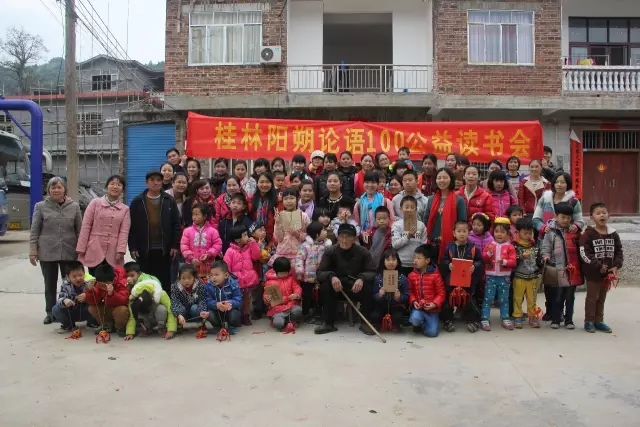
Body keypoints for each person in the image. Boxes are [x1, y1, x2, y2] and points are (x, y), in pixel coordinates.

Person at [29, 176, 83, 324]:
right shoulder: (40, 206)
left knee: (71, 283)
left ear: (64, 189)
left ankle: (71, 311)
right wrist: (33, 250)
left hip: (69, 251)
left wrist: (81, 250)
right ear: (48, 190)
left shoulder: (74, 206)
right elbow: (34, 230)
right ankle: (51, 312)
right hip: (47, 251)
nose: (56, 190)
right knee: (50, 284)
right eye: (53, 188)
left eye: (59, 187)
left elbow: (80, 230)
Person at [532, 172, 584, 318]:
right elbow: (535, 219)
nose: (559, 185)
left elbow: (580, 221)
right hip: (547, 242)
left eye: (563, 182)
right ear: (553, 184)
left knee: (564, 279)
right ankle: (550, 310)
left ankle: (560, 312)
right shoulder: (545, 199)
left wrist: (575, 226)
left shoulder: (573, 202)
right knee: (549, 277)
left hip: (566, 245)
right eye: (557, 182)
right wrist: (543, 228)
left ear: (568, 185)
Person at [315, 223, 377, 335]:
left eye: (348, 237)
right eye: (342, 237)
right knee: (325, 286)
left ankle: (365, 322)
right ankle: (328, 323)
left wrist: (362, 278)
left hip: (356, 287)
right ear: (337, 237)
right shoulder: (330, 251)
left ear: (354, 239)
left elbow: (372, 272)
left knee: (369, 285)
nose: (344, 240)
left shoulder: (363, 252)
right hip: (337, 288)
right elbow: (320, 273)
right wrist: (331, 276)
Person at [128, 170, 181, 293]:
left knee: (164, 282)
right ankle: (146, 303)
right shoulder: (138, 201)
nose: (155, 183)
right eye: (152, 180)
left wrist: (175, 245)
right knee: (145, 281)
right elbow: (132, 226)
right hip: (144, 249)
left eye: (158, 180)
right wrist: (132, 247)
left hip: (164, 249)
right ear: (146, 182)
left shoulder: (169, 200)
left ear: (162, 182)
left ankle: (165, 303)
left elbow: (176, 224)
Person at [580, 202, 623, 333]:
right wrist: (598, 265)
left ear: (609, 215)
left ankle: (599, 321)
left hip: (607, 274)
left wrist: (616, 266)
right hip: (593, 273)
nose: (602, 215)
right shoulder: (588, 234)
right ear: (592, 217)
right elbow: (584, 253)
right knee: (592, 297)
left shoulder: (613, 234)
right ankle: (589, 321)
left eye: (604, 212)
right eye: (598, 213)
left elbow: (619, 251)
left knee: (602, 297)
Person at [541, 202, 583, 330]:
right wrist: (546, 257)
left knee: (570, 297)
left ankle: (569, 319)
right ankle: (556, 319)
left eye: (568, 218)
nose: (565, 220)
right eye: (563, 217)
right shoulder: (550, 232)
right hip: (557, 269)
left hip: (572, 269)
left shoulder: (574, 232)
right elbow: (546, 247)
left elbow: (581, 248)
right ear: (556, 216)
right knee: (557, 296)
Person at [76, 175, 130, 275]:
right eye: (112, 184)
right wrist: (81, 248)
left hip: (113, 252)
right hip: (94, 248)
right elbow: (86, 226)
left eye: (119, 185)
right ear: (106, 186)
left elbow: (124, 232)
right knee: (93, 279)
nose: (115, 187)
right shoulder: (95, 203)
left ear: (122, 189)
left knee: (111, 280)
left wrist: (121, 250)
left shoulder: (125, 209)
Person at [440, 221, 484, 333]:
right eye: (459, 231)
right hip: (452, 280)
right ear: (454, 233)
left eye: (464, 231)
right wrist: (448, 265)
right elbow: (443, 260)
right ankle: (447, 320)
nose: (462, 234)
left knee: (470, 299)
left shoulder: (473, 248)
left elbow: (480, 261)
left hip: (468, 281)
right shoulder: (449, 247)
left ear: (468, 232)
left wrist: (475, 266)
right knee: (449, 300)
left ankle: (473, 320)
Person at [480, 217, 517, 331]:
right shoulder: (489, 245)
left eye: (502, 232)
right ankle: (485, 318)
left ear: (508, 233)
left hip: (504, 277)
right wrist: (488, 254)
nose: (499, 234)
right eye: (496, 231)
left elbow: (513, 262)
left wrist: (504, 262)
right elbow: (483, 259)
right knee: (488, 298)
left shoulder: (510, 246)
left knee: (504, 299)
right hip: (490, 276)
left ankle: (505, 317)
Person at [424, 168, 468, 261]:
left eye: (445, 177)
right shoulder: (431, 199)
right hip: (433, 242)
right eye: (439, 178)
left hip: (452, 244)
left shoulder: (459, 200)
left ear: (451, 179)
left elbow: (462, 223)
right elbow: (426, 220)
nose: (442, 180)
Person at [124, 264, 177, 340]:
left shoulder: (160, 293)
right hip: (145, 313)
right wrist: (130, 333)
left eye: (132, 275)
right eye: (127, 276)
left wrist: (171, 330)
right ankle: (147, 327)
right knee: (135, 307)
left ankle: (161, 327)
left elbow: (170, 309)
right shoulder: (134, 295)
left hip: (155, 313)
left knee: (161, 309)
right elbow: (132, 315)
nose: (129, 278)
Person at [223, 225, 261, 325]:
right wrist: (229, 278)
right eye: (244, 235)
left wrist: (254, 244)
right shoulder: (230, 251)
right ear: (237, 239)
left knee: (247, 298)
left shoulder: (249, 247)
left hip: (247, 278)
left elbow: (256, 256)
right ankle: (236, 315)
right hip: (236, 280)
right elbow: (226, 266)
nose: (247, 237)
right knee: (237, 298)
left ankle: (246, 315)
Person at [295, 221, 331, 322]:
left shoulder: (327, 246)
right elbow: (299, 259)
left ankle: (319, 312)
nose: (326, 231)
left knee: (321, 295)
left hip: (322, 276)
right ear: (317, 234)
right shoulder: (305, 246)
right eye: (323, 230)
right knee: (307, 295)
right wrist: (299, 272)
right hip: (308, 277)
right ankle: (306, 313)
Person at [408, 244, 446, 337]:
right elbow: (410, 291)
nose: (415, 260)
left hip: (432, 310)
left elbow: (441, 293)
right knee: (415, 319)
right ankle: (418, 322)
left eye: (418, 258)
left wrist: (434, 304)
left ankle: (424, 324)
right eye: (414, 257)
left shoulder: (436, 275)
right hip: (419, 308)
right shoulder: (411, 275)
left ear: (427, 260)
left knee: (432, 333)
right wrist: (414, 301)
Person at [512, 218, 542, 329]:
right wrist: (520, 257)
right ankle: (517, 316)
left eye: (530, 233)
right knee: (518, 298)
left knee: (532, 299)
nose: (528, 235)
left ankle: (532, 316)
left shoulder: (535, 246)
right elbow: (511, 260)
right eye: (525, 233)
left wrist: (541, 262)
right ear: (518, 232)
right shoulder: (514, 246)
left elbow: (538, 260)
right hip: (519, 277)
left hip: (533, 277)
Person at [85, 264, 130, 337]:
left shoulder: (121, 282)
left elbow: (124, 300)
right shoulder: (98, 284)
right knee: (92, 307)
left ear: (113, 279)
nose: (104, 287)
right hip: (108, 308)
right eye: (101, 285)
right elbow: (93, 302)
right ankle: (107, 325)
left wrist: (112, 294)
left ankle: (120, 327)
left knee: (122, 310)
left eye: (106, 284)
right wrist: (90, 290)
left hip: (119, 309)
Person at [51, 261, 97, 333]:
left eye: (80, 275)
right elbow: (60, 299)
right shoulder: (65, 285)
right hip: (71, 312)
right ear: (68, 277)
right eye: (74, 276)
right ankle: (69, 325)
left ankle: (92, 322)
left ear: (84, 274)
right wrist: (65, 301)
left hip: (85, 311)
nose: (78, 278)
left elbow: (97, 298)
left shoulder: (89, 283)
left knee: (96, 305)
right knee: (55, 309)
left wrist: (88, 294)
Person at [270, 188, 311, 267]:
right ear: (282, 201)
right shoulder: (279, 216)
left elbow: (310, 236)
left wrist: (298, 235)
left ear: (297, 199)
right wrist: (277, 223)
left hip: (298, 253)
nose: (289, 201)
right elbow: (278, 238)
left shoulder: (303, 216)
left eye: (292, 198)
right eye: (285, 199)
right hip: (282, 252)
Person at [180, 204, 222, 281]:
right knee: (192, 284)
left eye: (197, 214)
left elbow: (217, 245)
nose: (194, 217)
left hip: (208, 266)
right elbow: (184, 246)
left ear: (204, 216)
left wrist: (209, 254)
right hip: (191, 266)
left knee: (207, 285)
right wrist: (191, 258)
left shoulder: (213, 231)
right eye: (193, 214)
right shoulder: (187, 231)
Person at [371, 249, 409, 332]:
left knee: (399, 317)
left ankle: (395, 325)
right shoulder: (378, 277)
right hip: (381, 305)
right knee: (374, 316)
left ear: (398, 262)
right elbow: (373, 295)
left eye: (394, 259)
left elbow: (407, 295)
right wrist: (379, 294)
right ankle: (379, 324)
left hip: (396, 306)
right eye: (388, 260)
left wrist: (400, 297)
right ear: (383, 261)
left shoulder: (403, 278)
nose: (391, 262)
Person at [264, 257, 304, 331]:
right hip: (277, 309)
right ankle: (281, 320)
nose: (284, 274)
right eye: (281, 273)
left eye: (286, 272)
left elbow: (297, 287)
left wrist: (296, 294)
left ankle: (290, 320)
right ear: (276, 271)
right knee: (278, 324)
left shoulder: (291, 279)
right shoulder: (270, 282)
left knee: (298, 310)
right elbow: (266, 295)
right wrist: (267, 299)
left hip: (291, 305)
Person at [392, 196, 427, 277]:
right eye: (406, 207)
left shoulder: (421, 225)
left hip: (417, 265)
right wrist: (407, 237)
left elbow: (424, 246)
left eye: (412, 207)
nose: (409, 210)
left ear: (416, 209)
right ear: (401, 209)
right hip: (402, 263)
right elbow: (394, 245)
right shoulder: (396, 225)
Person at [354, 171, 395, 240]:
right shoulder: (359, 204)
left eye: (373, 182)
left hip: (383, 238)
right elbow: (356, 224)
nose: (370, 185)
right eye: (367, 182)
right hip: (365, 239)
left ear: (377, 184)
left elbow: (392, 221)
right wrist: (362, 233)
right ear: (363, 184)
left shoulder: (385, 202)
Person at [204, 261, 243, 329]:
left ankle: (232, 325)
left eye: (216, 275)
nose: (213, 277)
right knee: (209, 314)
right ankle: (218, 326)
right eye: (211, 275)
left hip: (229, 310)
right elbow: (207, 300)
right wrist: (216, 304)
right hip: (216, 310)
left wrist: (229, 303)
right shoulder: (208, 285)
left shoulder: (233, 284)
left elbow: (238, 300)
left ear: (226, 275)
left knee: (234, 314)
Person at [170, 263, 208, 331]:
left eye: (189, 278)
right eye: (183, 278)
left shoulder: (200, 286)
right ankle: (179, 323)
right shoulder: (175, 287)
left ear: (194, 277)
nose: (186, 281)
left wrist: (202, 311)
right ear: (179, 278)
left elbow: (202, 300)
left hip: (195, 312)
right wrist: (179, 315)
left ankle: (200, 324)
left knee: (194, 307)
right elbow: (175, 302)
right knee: (175, 309)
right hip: (182, 312)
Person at [250, 172, 277, 242]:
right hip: (254, 238)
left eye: (267, 182)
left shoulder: (278, 200)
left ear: (272, 184)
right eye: (261, 182)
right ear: (257, 183)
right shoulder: (250, 199)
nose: (264, 185)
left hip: (273, 239)